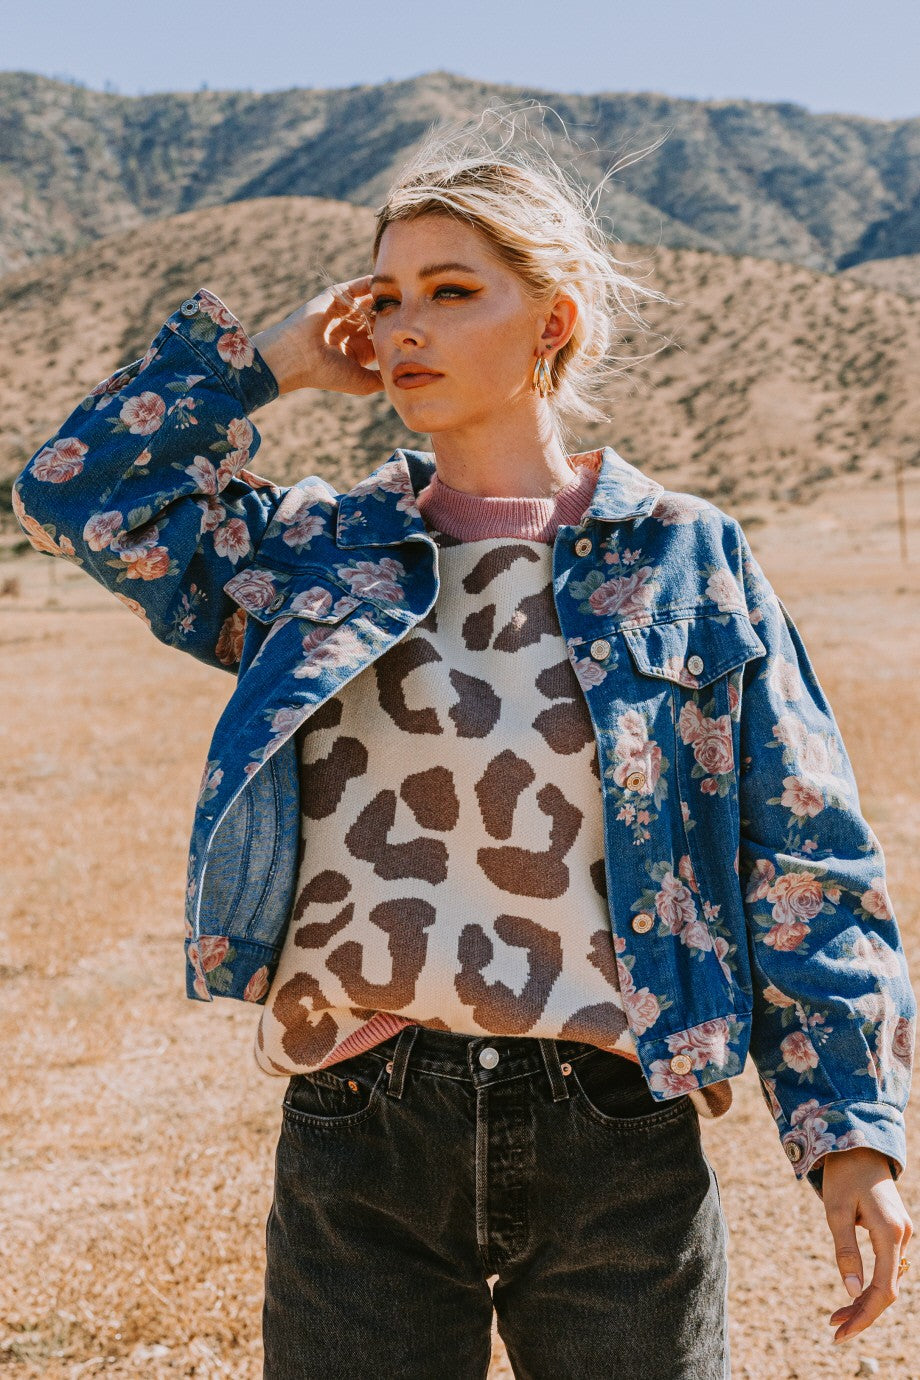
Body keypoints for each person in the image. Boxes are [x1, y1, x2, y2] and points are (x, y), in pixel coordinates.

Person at [13, 110, 915, 1379]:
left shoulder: (681, 554)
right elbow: (73, 490)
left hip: (615, 1130)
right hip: (363, 1119)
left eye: (449, 292)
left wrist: (850, 1136)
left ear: (551, 322)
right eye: (383, 298)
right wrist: (269, 364)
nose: (403, 327)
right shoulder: (319, 550)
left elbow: (801, 854)